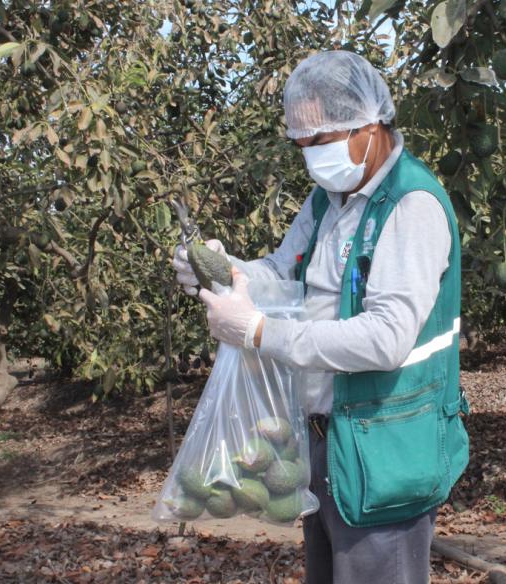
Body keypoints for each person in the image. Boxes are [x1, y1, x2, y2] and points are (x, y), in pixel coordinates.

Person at [172, 50, 469, 584]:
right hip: (329, 446)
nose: (312, 156)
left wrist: (259, 331)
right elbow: (282, 271)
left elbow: (386, 338)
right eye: (303, 144)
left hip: (387, 452)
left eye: (322, 141)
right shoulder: (327, 200)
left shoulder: (411, 205)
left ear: (370, 126)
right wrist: (222, 270)